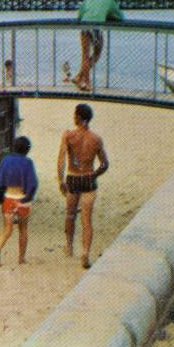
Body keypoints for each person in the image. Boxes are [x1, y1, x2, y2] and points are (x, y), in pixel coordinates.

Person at [57, 103, 109, 269]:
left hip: (73, 178)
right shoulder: (96, 139)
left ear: (78, 117)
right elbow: (104, 164)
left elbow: (61, 160)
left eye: (74, 115)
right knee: (87, 220)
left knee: (70, 215)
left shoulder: (68, 136)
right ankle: (85, 253)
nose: (73, 117)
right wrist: (94, 175)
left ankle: (69, 246)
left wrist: (60, 180)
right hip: (88, 180)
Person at [0, 136, 38, 267]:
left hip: (9, 198)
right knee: (23, 229)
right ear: (27, 150)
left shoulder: (6, 160)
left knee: (7, 230)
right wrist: (28, 197)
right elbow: (32, 184)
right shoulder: (28, 163)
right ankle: (21, 259)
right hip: (22, 200)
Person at [72, 0, 123, 92]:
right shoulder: (109, 1)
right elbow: (120, 17)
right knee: (97, 53)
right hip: (96, 28)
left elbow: (80, 16)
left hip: (84, 27)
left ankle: (80, 78)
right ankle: (86, 83)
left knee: (85, 55)